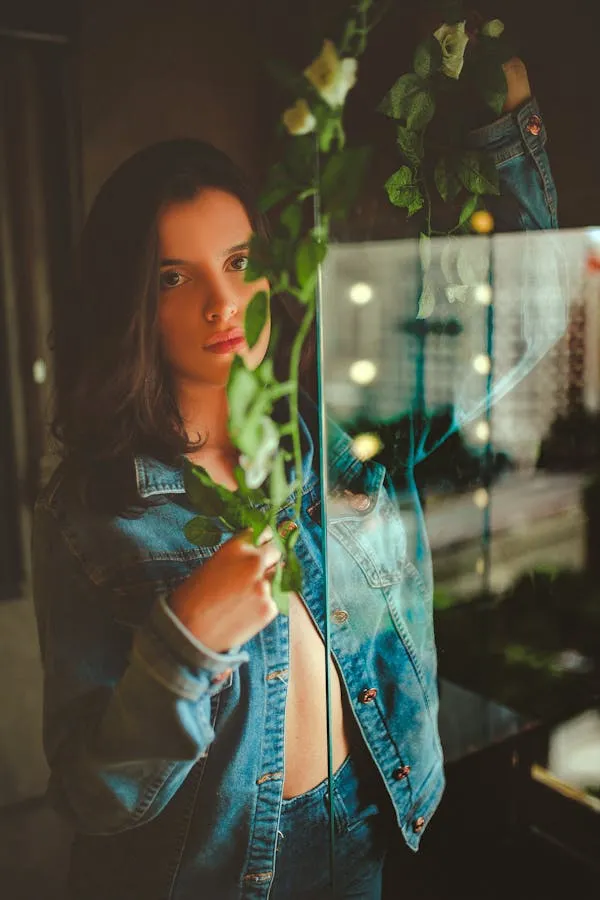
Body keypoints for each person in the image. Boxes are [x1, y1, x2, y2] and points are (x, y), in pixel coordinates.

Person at [32, 58, 557, 900]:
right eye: (175, 277)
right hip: (204, 874)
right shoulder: (93, 511)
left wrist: (508, 126)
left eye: (240, 262)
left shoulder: (339, 435)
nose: (223, 304)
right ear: (128, 301)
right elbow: (95, 797)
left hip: (361, 832)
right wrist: (186, 641)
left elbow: (518, 325)